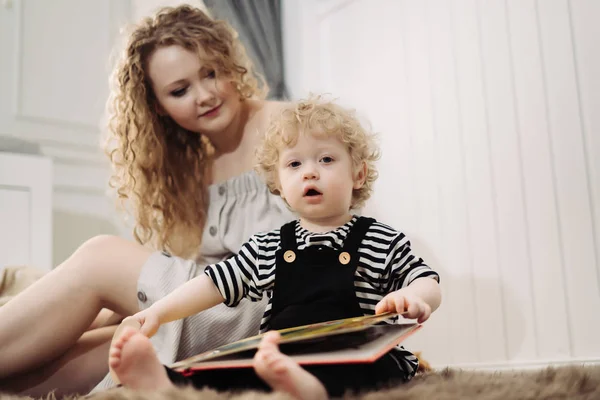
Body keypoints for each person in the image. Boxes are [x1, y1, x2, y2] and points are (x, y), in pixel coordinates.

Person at [0, 5, 295, 397]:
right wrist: (95, 310)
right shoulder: (197, 166)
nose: (205, 95)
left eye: (210, 72)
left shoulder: (289, 125)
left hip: (270, 307)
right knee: (51, 365)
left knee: (99, 257)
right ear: (158, 105)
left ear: (229, 63)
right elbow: (191, 266)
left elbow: (344, 229)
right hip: (208, 307)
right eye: (180, 90)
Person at [108, 96, 442, 399]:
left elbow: (426, 280)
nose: (309, 173)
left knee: (373, 373)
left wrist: (414, 297)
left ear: (358, 173)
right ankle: (165, 384)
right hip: (282, 354)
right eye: (295, 165)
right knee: (230, 370)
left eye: (326, 159)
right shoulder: (268, 245)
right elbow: (213, 283)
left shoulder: (378, 239)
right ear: (279, 184)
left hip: (357, 355)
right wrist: (157, 312)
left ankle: (307, 390)